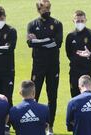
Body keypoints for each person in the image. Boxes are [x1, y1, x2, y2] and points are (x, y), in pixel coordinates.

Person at [27, 0, 63, 133]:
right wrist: (47, 40)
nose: (47, 10)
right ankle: (34, 124)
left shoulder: (57, 24)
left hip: (53, 66)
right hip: (38, 66)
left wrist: (38, 41)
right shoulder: (32, 24)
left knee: (52, 97)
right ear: (38, 9)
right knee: (33, 96)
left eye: (48, 7)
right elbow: (30, 43)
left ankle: (50, 125)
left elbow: (57, 43)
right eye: (44, 8)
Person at [65, 10, 91, 97]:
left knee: (90, 98)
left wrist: (90, 66)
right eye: (78, 21)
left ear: (86, 20)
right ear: (73, 21)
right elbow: (69, 53)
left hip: (89, 73)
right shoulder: (70, 36)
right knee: (75, 97)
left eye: (82, 21)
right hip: (75, 73)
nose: (80, 23)